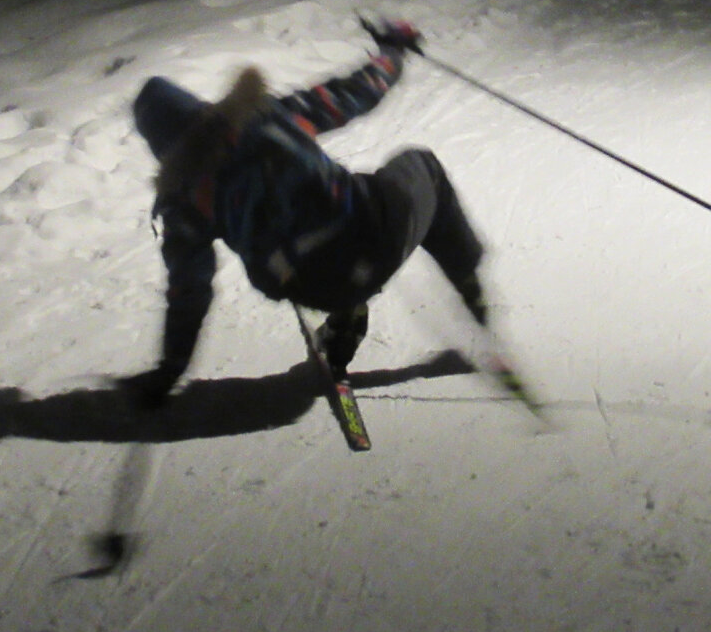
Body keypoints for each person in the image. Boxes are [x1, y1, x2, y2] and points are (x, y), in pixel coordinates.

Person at [120, 21, 488, 409]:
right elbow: (359, 90)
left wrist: (169, 371)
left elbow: (188, 293)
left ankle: (342, 323)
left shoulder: (185, 206)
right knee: (421, 167)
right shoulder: (268, 117)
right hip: (380, 238)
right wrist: (393, 51)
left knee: (309, 240)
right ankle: (473, 296)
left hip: (309, 286)